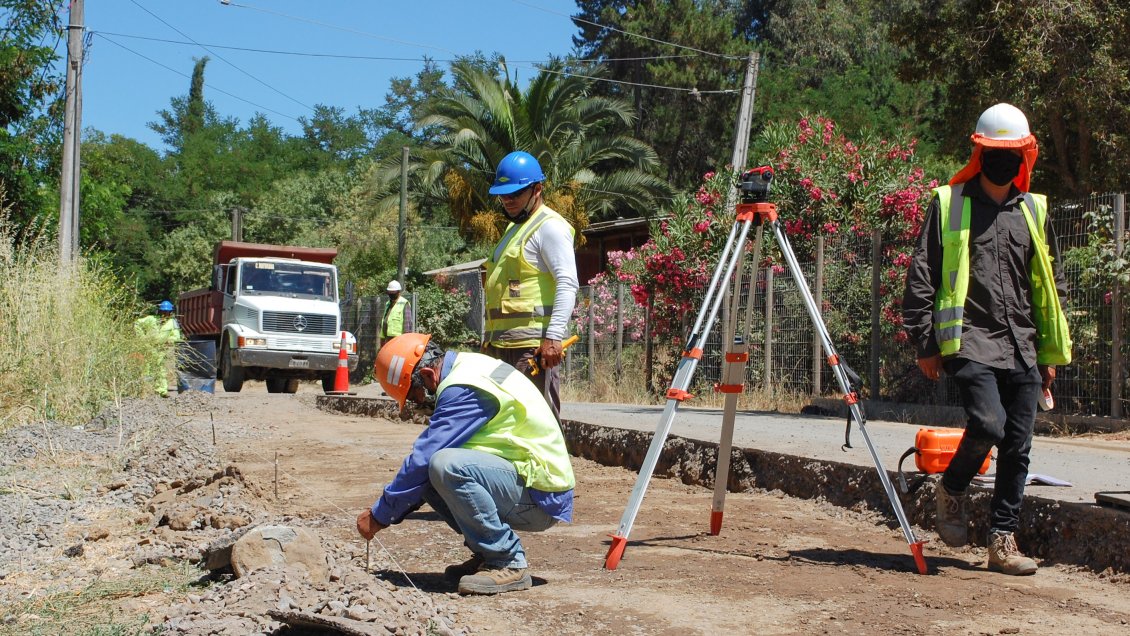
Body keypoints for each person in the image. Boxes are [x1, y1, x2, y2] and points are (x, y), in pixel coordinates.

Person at [902, 103, 1072, 576]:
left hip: (1022, 343)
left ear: (1025, 154)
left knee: (1018, 444)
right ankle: (953, 486)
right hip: (970, 340)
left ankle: (1002, 540)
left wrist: (1049, 353)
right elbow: (922, 276)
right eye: (995, 151)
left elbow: (1047, 285)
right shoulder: (949, 203)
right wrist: (924, 342)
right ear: (980, 152)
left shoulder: (1033, 210)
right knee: (989, 424)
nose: (1004, 159)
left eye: (1012, 151)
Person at [356, 333, 575, 595]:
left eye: (414, 396)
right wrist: (401, 504)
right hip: (523, 481)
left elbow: (424, 458)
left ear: (427, 374)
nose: (418, 404)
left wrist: (380, 515)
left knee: (444, 464)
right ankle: (487, 553)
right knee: (428, 474)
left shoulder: (464, 389)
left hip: (540, 497)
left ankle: (507, 560)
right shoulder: (467, 368)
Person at [482, 151, 579, 422]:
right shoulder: (512, 231)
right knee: (507, 422)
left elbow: (567, 282)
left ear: (537, 189)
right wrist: (488, 342)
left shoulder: (549, 227)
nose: (508, 201)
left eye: (515, 194)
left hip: (533, 349)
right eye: (503, 195)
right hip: (502, 347)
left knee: (538, 422)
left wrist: (553, 337)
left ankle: (552, 466)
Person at [134, 300, 183, 397]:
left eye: (167, 312)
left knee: (161, 369)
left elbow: (177, 337)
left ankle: (161, 391)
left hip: (161, 349)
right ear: (159, 312)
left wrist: (170, 340)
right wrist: (142, 337)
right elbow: (137, 324)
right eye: (163, 312)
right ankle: (145, 391)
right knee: (146, 369)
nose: (164, 314)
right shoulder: (151, 319)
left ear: (170, 313)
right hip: (148, 348)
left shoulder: (172, 323)